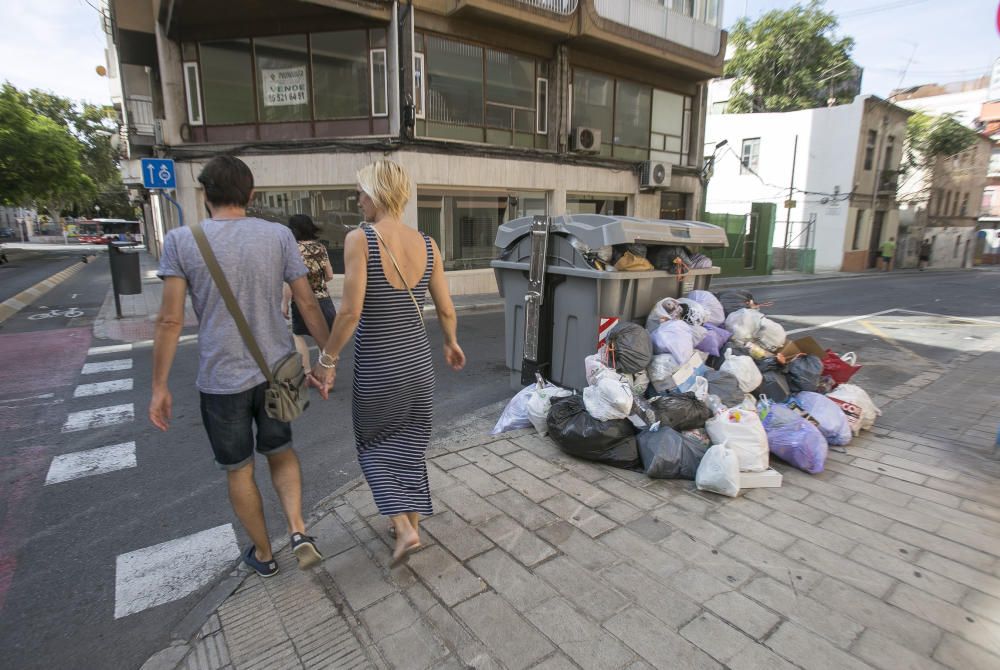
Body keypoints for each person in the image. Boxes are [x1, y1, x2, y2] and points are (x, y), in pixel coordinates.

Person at [149, 155, 332, 577]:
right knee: (281, 451)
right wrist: (327, 356)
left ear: (205, 194)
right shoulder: (278, 236)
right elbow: (306, 301)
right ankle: (299, 530)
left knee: (239, 469)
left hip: (221, 380)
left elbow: (171, 319)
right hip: (276, 372)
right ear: (250, 195)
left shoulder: (181, 240)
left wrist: (160, 385)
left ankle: (265, 555)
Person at [312, 160, 465, 566]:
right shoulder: (428, 245)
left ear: (377, 194)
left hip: (380, 368)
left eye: (361, 192)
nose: (358, 199)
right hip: (418, 367)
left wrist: (327, 359)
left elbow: (349, 313)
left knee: (374, 446)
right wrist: (450, 343)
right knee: (411, 447)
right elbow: (446, 308)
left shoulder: (360, 239)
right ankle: (411, 525)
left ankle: (403, 526)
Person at [281, 214, 336, 376]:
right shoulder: (321, 247)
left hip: (301, 300)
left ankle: (306, 371)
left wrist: (284, 303)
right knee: (325, 338)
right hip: (324, 299)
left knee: (298, 335)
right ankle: (326, 373)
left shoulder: (293, 250)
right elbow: (330, 275)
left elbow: (291, 282)